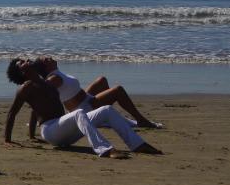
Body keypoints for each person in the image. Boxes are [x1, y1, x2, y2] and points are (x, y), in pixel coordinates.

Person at [3, 58, 160, 158]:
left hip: (65, 129)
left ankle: (138, 145)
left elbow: (35, 109)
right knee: (79, 113)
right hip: (51, 131)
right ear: (22, 72)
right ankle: (104, 149)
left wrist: (31, 136)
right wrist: (7, 140)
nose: (26, 60)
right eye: (21, 62)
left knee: (106, 110)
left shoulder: (46, 82)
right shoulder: (26, 88)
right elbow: (12, 113)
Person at [33, 55, 161, 129]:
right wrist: (42, 118)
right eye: (46, 60)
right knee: (118, 90)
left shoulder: (55, 73)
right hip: (85, 109)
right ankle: (141, 120)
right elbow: (40, 95)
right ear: (45, 67)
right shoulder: (53, 78)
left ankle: (107, 114)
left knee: (102, 80)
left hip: (85, 100)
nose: (49, 57)